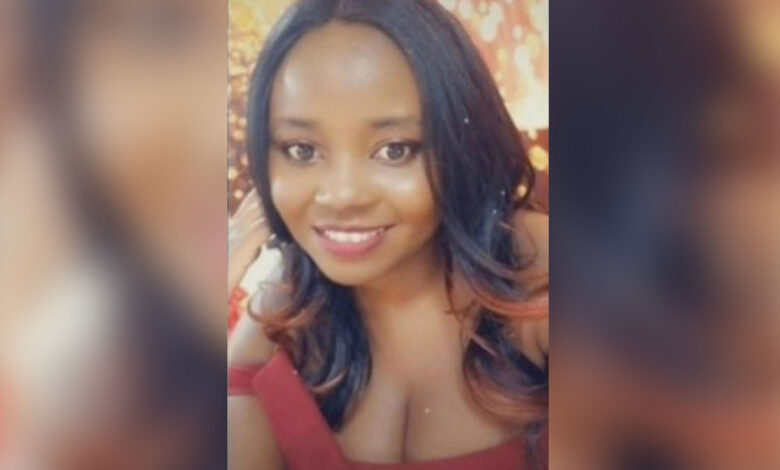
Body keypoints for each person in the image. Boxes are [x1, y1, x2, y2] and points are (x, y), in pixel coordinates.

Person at [227, 0, 549, 469]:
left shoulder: (543, 279)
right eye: (302, 150)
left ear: (461, 144)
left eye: (394, 150)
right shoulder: (276, 329)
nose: (342, 196)